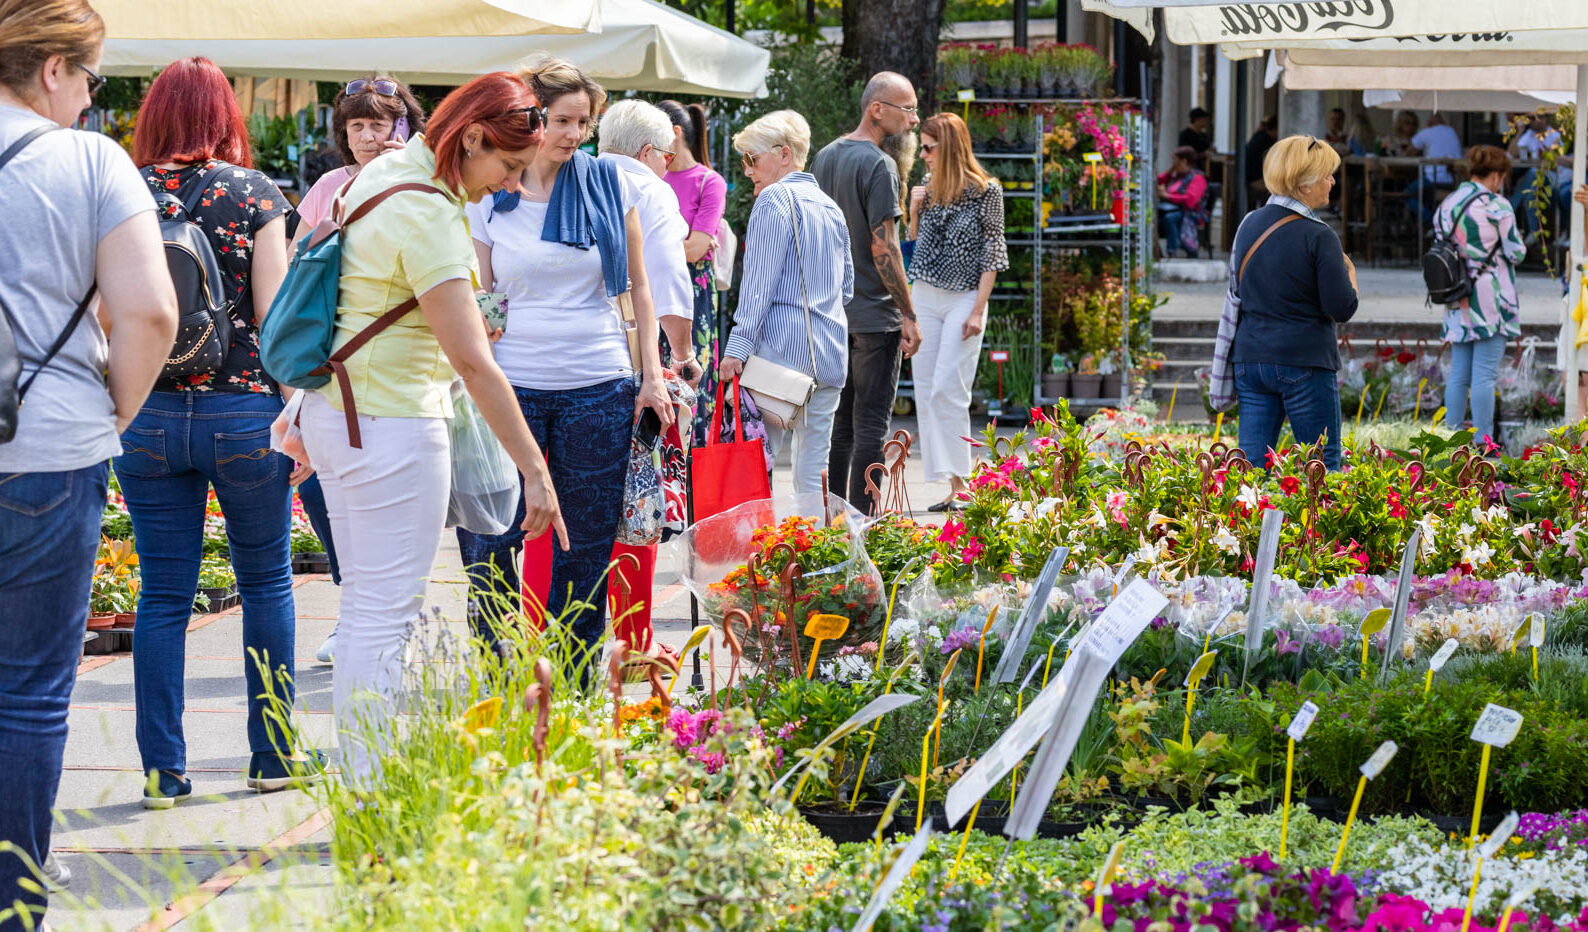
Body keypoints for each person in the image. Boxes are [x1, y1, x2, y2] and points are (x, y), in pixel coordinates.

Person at [287, 71, 565, 786]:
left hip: (341, 412)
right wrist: (534, 470)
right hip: (390, 422)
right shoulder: (430, 212)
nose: (508, 185)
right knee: (387, 616)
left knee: (366, 610)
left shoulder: (381, 176)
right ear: (470, 138)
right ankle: (370, 789)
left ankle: (363, 777)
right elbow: (473, 361)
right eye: (507, 165)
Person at [0, 0, 177, 922]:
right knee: (27, 693)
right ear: (55, 69)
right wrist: (113, 410)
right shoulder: (90, 161)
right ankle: (11, 900)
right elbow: (150, 312)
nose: (89, 100)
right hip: (48, 444)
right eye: (92, 80)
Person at [120, 57, 315, 808]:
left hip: (147, 413)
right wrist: (296, 415)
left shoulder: (122, 189)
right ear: (224, 114)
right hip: (243, 412)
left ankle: (163, 772)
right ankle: (272, 755)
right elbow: (276, 320)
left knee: (163, 593)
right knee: (265, 581)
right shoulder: (254, 192)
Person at [454, 57, 671, 670]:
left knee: (586, 546)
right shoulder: (491, 193)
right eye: (562, 120)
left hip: (598, 383)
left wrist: (652, 377)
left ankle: (572, 681)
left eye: (584, 122)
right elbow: (482, 294)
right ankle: (499, 674)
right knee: (491, 538)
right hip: (510, 385)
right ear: (532, 118)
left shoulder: (611, 184)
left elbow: (639, 287)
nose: (575, 134)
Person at [294, 77, 428, 664]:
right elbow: (299, 264)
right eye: (357, 126)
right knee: (325, 491)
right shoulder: (330, 186)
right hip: (336, 358)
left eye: (380, 124)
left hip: (406, 361)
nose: (369, 137)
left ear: (404, 127)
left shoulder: (422, 182)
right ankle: (355, 613)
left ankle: (390, 620)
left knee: (397, 501)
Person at [595, 98, 696, 657]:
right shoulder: (649, 189)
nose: (667, 166)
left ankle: (572, 636)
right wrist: (683, 353)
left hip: (566, 359)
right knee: (637, 500)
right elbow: (667, 280)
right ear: (648, 151)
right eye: (667, 156)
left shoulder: (573, 176)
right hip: (634, 360)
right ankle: (634, 639)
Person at [719, 110, 852, 495]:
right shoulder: (830, 207)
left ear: (784, 154)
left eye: (752, 158)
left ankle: (760, 536)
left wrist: (737, 347)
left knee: (756, 469)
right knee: (813, 474)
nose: (747, 170)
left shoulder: (774, 199)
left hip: (780, 359)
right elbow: (846, 289)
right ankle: (814, 536)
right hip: (829, 355)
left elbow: (757, 286)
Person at [812, 71, 922, 514]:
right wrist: (908, 313)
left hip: (833, 314)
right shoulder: (880, 165)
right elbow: (885, 247)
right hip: (875, 316)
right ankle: (862, 526)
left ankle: (835, 523)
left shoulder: (824, 157)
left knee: (840, 427)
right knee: (871, 427)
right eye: (907, 109)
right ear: (877, 109)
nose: (914, 120)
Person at [1231, 136, 1360, 471]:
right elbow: (1342, 307)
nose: (1332, 181)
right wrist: (1351, 274)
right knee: (1321, 468)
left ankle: (1249, 509)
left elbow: (1237, 289)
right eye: (1326, 175)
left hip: (1251, 357)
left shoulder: (1248, 224)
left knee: (1250, 470)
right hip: (1304, 358)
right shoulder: (1319, 235)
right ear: (1304, 184)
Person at [906, 113, 1005, 512]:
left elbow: (993, 252)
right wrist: (914, 212)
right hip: (926, 294)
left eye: (929, 147)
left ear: (948, 147)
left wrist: (978, 310)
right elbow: (915, 247)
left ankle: (964, 484)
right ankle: (953, 484)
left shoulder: (986, 191)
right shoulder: (928, 188)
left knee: (949, 388)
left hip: (965, 296)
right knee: (927, 389)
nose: (923, 155)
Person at [1434, 146, 1527, 447]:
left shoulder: (1448, 203)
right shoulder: (1497, 205)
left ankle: (1452, 441)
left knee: (1459, 374)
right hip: (1490, 298)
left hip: (1457, 294)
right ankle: (1485, 444)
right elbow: (1516, 252)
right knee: (1484, 375)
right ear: (1497, 176)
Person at [658, 99, 728, 445]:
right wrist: (678, 246)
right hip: (654, 290)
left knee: (689, 381)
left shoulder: (709, 182)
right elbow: (690, 245)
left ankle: (691, 468)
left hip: (692, 294)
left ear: (675, 133)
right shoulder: (653, 178)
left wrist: (651, 249)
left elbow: (698, 248)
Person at [1508, 112, 1571, 238]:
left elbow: (1558, 164)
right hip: (1536, 179)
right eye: (1530, 118)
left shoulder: (1554, 136)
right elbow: (1511, 154)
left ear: (1545, 119)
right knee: (1529, 196)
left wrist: (1546, 160)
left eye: (1536, 118)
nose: (1532, 121)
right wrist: (1519, 131)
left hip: (1555, 178)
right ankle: (1533, 232)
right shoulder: (1529, 134)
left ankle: (1510, 207)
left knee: (1533, 173)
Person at [1156, 145, 1209, 258]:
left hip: (1190, 213)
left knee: (1169, 218)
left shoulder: (1197, 178)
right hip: (1173, 209)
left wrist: (1168, 196)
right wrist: (1170, 170)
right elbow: (1158, 180)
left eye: (1176, 161)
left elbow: (1190, 200)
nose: (1174, 164)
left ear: (1184, 161)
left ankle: (1172, 251)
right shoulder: (1176, 175)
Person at [1244, 115, 1278, 201]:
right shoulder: (1266, 142)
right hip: (1255, 179)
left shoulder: (1258, 136)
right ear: (1275, 129)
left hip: (1248, 178)